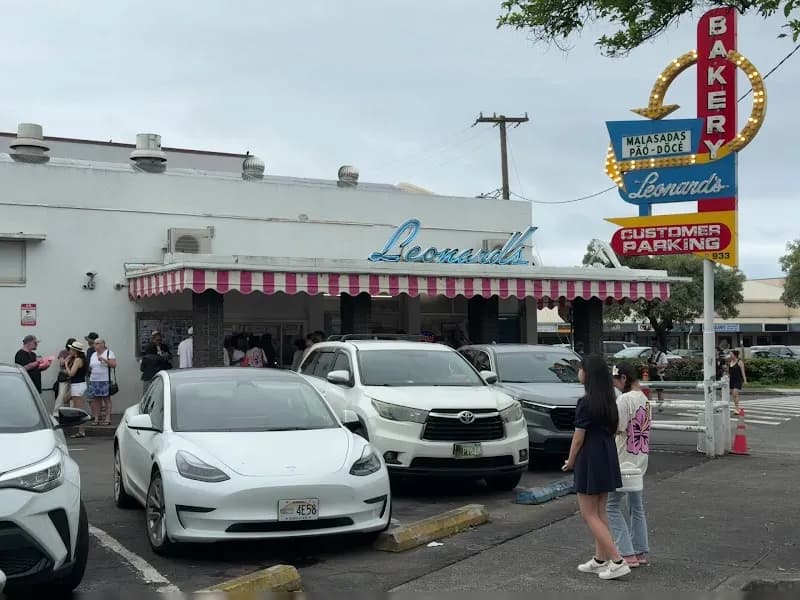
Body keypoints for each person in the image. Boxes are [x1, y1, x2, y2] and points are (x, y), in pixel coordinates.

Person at [563, 354, 630, 580]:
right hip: (607, 454)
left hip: (590, 456)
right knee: (600, 511)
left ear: (588, 374)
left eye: (580, 368)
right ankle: (600, 560)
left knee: (589, 513)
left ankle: (618, 561)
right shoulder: (610, 398)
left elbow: (578, 438)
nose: (578, 372)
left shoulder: (585, 401)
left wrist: (570, 461)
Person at [608, 362, 652, 568]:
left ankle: (626, 553)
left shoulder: (624, 399)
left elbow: (618, 428)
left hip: (622, 460)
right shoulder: (645, 398)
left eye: (616, 381)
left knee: (612, 506)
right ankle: (639, 550)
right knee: (636, 506)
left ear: (623, 378)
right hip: (639, 460)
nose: (615, 385)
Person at [88, 339, 117, 426]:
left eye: (97, 343)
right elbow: (90, 367)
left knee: (106, 400)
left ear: (103, 344)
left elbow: (114, 365)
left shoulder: (109, 353)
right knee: (96, 400)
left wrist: (104, 360)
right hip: (94, 380)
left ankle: (107, 418)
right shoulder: (93, 354)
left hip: (105, 380)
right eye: (94, 344)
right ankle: (97, 418)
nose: (95, 345)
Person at [64, 340, 88, 438]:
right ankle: (69, 420)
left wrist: (66, 363)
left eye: (71, 349)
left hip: (77, 385)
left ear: (75, 350)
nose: (69, 351)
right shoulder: (79, 359)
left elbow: (71, 373)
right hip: (77, 384)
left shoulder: (78, 360)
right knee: (65, 399)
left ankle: (81, 431)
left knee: (79, 409)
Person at [53, 338, 77, 416]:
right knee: (62, 394)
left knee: (72, 396)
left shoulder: (77, 354)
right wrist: (70, 356)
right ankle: (56, 412)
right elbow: (62, 363)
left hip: (74, 376)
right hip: (64, 376)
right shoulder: (63, 352)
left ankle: (71, 412)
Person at [728, 350, 747, 415]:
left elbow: (743, 372)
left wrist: (745, 380)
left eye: (731, 354)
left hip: (738, 380)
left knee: (735, 393)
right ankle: (736, 408)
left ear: (734, 355)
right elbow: (729, 372)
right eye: (730, 354)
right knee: (733, 395)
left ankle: (737, 408)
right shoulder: (730, 362)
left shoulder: (740, 362)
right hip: (731, 380)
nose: (730, 355)